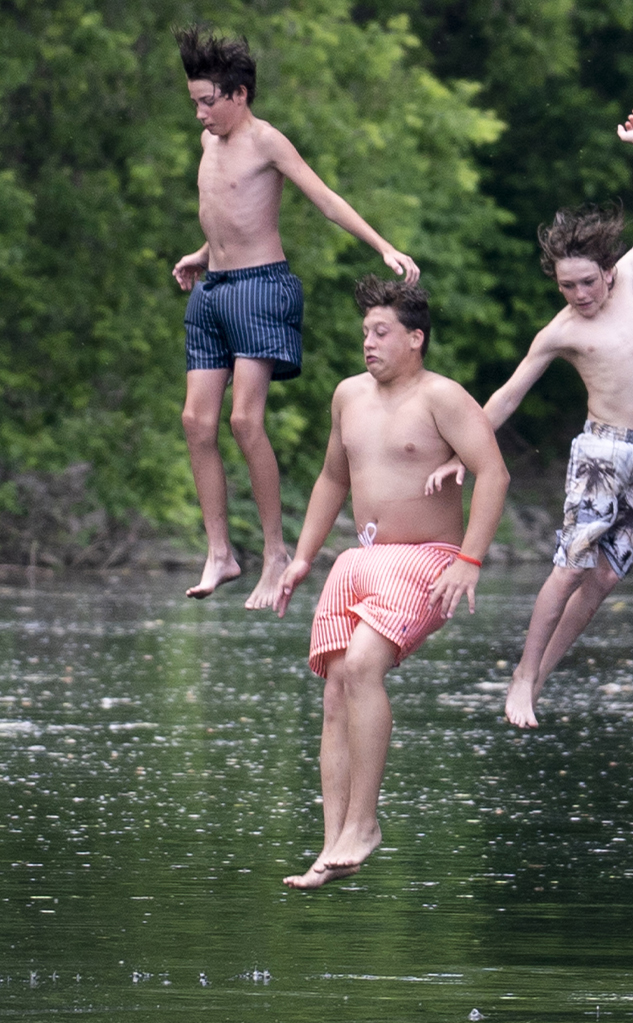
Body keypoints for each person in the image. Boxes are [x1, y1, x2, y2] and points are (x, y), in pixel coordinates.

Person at [428, 109, 633, 730]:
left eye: (587, 283)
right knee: (570, 565)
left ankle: (536, 681)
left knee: (603, 581)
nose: (579, 296)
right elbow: (509, 394)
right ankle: (521, 677)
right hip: (604, 450)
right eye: (567, 286)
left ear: (608, 271)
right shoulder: (562, 330)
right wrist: (465, 452)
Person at [173, 25, 420, 609]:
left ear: (239, 95)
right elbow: (226, 211)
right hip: (213, 290)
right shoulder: (209, 145)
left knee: (244, 422)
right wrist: (201, 254)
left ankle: (275, 550)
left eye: (209, 102)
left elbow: (325, 199)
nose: (201, 115)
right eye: (195, 104)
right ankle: (219, 552)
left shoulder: (266, 142)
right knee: (194, 421)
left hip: (262, 288)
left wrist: (382, 246)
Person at [273, 276, 507, 889]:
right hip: (360, 560)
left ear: (415, 338)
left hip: (426, 556)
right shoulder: (347, 395)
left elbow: (494, 473)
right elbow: (331, 479)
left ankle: (366, 824)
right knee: (333, 692)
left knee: (362, 667)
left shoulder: (443, 397)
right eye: (365, 334)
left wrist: (471, 560)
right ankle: (332, 844)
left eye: (381, 333)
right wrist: (302, 558)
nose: (369, 344)